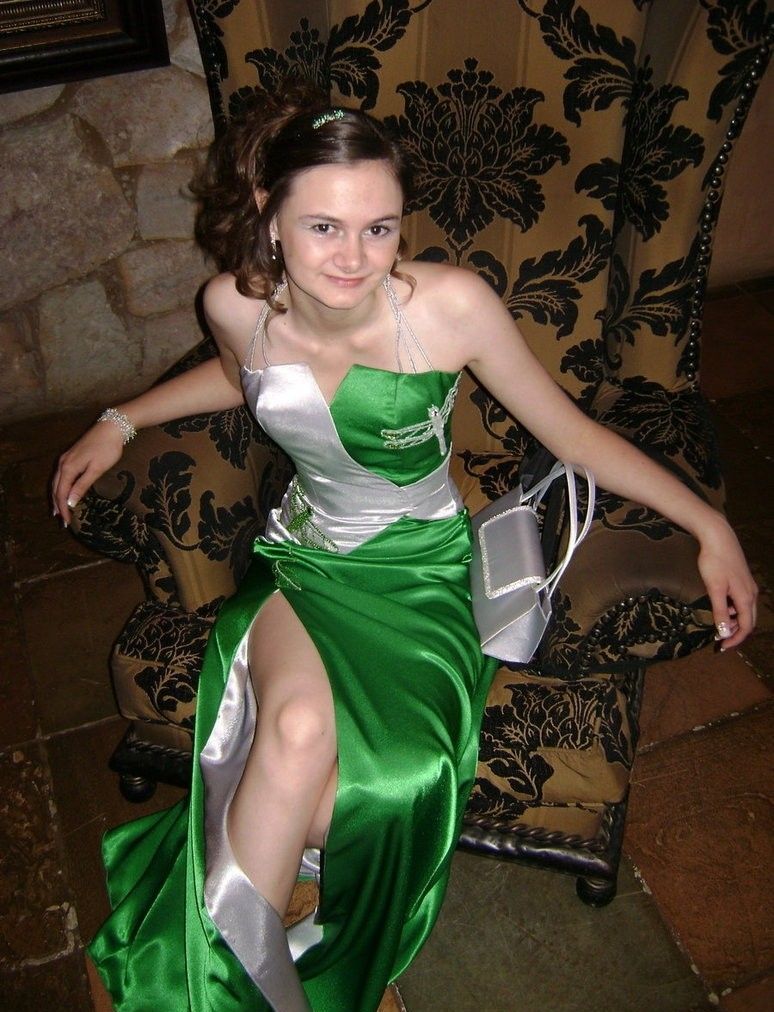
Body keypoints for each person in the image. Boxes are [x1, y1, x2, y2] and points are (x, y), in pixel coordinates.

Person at [51, 81, 757, 1012]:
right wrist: (120, 420)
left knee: (367, 791)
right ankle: (219, 991)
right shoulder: (232, 304)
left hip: (422, 573)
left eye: (379, 228)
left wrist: (711, 526)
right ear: (268, 215)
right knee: (296, 734)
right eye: (324, 228)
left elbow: (573, 436)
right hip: (306, 561)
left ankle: (262, 912)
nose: (355, 258)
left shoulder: (448, 307)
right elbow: (236, 380)